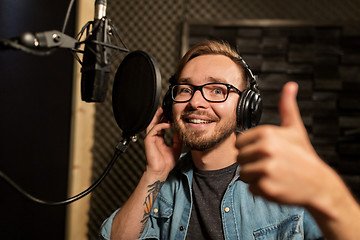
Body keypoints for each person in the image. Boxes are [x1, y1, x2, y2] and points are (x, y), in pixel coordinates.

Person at [99, 40, 360, 240]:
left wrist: (328, 189)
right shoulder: (164, 183)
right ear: (170, 103)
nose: (196, 102)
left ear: (245, 107)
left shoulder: (283, 179)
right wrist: (154, 172)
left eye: (217, 90)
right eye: (186, 89)